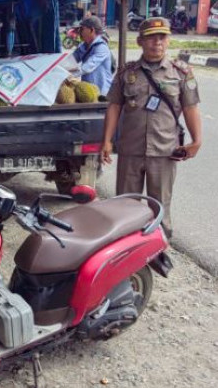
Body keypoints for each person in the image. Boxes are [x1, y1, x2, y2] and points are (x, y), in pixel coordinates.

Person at [101, 17, 202, 239]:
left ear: (168, 40)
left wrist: (197, 141)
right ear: (140, 41)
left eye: (162, 37)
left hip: (164, 151)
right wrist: (107, 140)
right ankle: (125, 248)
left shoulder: (181, 73)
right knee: (125, 205)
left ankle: (159, 251)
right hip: (131, 150)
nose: (157, 42)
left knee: (160, 205)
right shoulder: (126, 73)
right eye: (151, 37)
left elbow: (190, 107)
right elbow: (115, 106)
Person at [72, 16, 113, 96]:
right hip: (88, 93)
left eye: (82, 29)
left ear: (91, 30)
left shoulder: (101, 48)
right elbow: (71, 60)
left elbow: (88, 67)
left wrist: (70, 75)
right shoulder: (83, 46)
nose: (80, 32)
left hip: (102, 95)